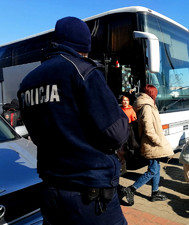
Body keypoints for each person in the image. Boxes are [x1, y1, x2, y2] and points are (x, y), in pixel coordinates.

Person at [17, 17, 129, 225]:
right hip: (89, 196)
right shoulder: (83, 71)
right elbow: (116, 133)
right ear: (84, 46)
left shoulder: (27, 82)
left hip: (52, 191)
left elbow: (35, 136)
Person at [122, 84, 174, 205]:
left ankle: (155, 192)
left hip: (151, 143)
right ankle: (130, 189)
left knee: (156, 167)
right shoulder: (147, 107)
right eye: (155, 93)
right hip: (150, 144)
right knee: (152, 170)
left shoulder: (148, 105)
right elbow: (148, 129)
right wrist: (158, 141)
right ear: (151, 94)